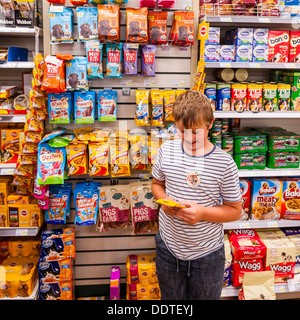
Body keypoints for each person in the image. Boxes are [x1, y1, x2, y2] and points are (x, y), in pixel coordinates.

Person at [151, 90, 242, 300]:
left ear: (210, 124)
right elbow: (157, 184)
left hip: (207, 255)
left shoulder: (224, 163)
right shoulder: (167, 150)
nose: (189, 137)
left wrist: (202, 213)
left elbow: (234, 211)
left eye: (196, 131)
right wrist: (163, 201)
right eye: (182, 131)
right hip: (168, 248)